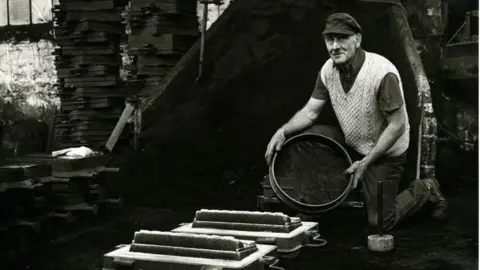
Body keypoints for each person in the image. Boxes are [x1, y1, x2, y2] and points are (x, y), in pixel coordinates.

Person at [264, 13, 448, 231]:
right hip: (352, 140)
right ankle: (317, 197)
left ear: (357, 40)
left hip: (385, 151)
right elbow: (311, 112)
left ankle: (427, 188)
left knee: (380, 221)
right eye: (329, 40)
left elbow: (397, 126)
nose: (335, 46)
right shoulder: (327, 70)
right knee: (304, 139)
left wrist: (365, 162)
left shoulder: (381, 73)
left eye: (342, 38)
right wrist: (282, 132)